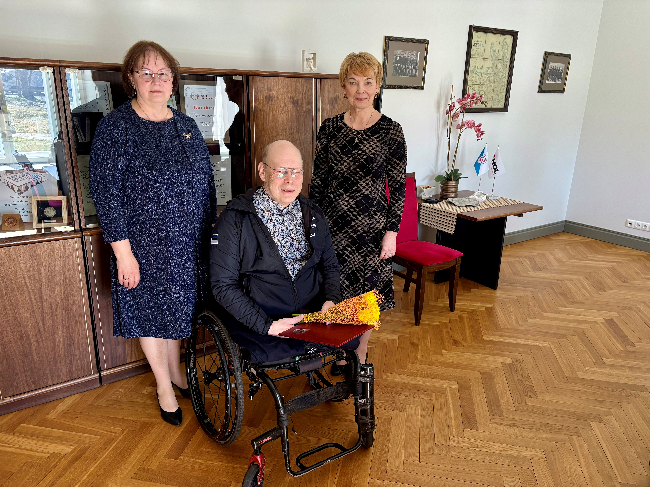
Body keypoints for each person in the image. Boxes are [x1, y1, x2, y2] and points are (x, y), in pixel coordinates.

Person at [89, 41, 216, 426]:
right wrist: (123, 254)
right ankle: (164, 386)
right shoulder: (116, 127)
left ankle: (176, 370)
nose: (155, 80)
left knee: (178, 310)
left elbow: (206, 184)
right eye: (146, 73)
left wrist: (210, 233)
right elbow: (105, 193)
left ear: (173, 79)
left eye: (163, 73)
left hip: (186, 244)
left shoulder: (186, 126)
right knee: (149, 314)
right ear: (131, 79)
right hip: (141, 246)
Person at [210, 140, 359, 364]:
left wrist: (331, 300)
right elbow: (223, 285)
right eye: (281, 171)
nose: (290, 180)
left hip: (310, 315)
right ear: (262, 172)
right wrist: (267, 325)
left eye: (296, 172)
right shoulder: (235, 220)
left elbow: (329, 266)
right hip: (261, 319)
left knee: (355, 332)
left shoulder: (313, 214)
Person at [310, 52, 407, 373]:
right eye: (353, 82)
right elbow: (318, 182)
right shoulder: (329, 129)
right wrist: (312, 225)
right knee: (335, 290)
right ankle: (341, 352)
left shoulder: (391, 131)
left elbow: (398, 187)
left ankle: (360, 353)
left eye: (368, 82)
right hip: (333, 227)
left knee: (366, 297)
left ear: (377, 86)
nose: (361, 90)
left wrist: (392, 232)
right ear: (343, 88)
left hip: (372, 231)